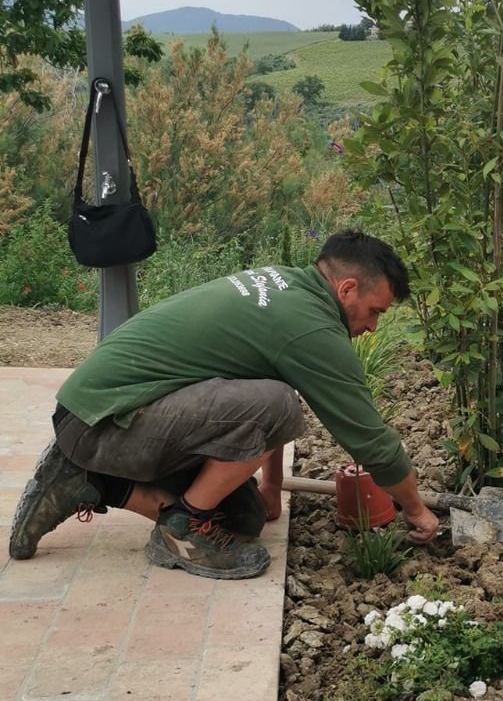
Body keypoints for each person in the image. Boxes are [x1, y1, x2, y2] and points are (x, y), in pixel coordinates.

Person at [9, 229, 439, 580]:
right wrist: (417, 511)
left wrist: (271, 489)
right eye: (373, 311)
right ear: (347, 288)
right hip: (100, 422)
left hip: (104, 416)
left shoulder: (287, 286)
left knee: (243, 519)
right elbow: (369, 441)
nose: (371, 326)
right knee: (276, 405)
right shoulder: (311, 328)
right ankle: (180, 530)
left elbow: (266, 378)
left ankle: (89, 481)